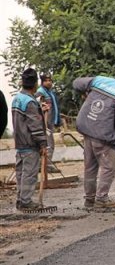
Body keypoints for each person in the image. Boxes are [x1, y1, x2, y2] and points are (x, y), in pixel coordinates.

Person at [73, 67, 115, 209]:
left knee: (90, 167)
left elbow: (76, 83)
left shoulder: (100, 80)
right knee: (109, 167)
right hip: (102, 133)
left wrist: (87, 91)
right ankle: (101, 199)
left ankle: (89, 200)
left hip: (86, 127)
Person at [11, 68, 50, 210]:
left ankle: (21, 200)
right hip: (29, 144)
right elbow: (35, 126)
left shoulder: (17, 99)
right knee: (29, 174)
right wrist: (43, 144)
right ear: (35, 85)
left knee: (21, 173)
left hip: (19, 143)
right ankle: (26, 202)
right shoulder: (30, 102)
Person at [36, 72, 61, 169]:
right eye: (46, 81)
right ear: (42, 82)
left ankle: (44, 164)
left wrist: (58, 121)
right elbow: (37, 108)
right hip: (44, 123)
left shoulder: (51, 93)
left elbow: (55, 108)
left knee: (49, 144)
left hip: (50, 122)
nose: (49, 82)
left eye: (50, 80)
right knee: (49, 144)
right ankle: (47, 165)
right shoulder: (40, 93)